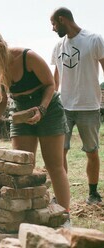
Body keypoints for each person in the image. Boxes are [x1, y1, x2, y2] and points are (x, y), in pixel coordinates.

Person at [0, 28, 71, 213]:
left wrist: (41, 110)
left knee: (54, 165)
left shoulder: (28, 57)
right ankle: (29, 212)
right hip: (19, 110)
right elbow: (1, 99)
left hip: (48, 108)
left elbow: (51, 84)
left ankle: (64, 213)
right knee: (22, 164)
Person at [50, 7, 104, 205]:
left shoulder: (94, 39)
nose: (53, 28)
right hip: (63, 107)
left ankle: (93, 193)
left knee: (91, 151)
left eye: (54, 24)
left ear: (62, 20)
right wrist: (51, 101)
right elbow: (55, 78)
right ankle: (61, 194)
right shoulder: (58, 46)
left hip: (89, 105)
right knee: (59, 152)